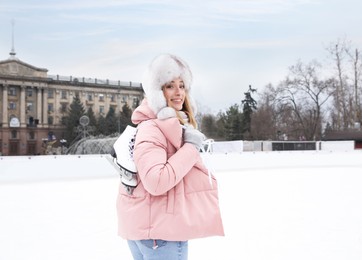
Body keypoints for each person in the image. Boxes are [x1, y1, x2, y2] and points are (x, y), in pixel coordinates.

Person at [116, 53, 224, 260]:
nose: (178, 92)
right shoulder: (153, 128)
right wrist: (191, 148)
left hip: (151, 228)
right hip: (160, 234)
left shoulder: (165, 125)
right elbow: (156, 181)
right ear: (157, 91)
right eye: (170, 86)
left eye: (182, 85)